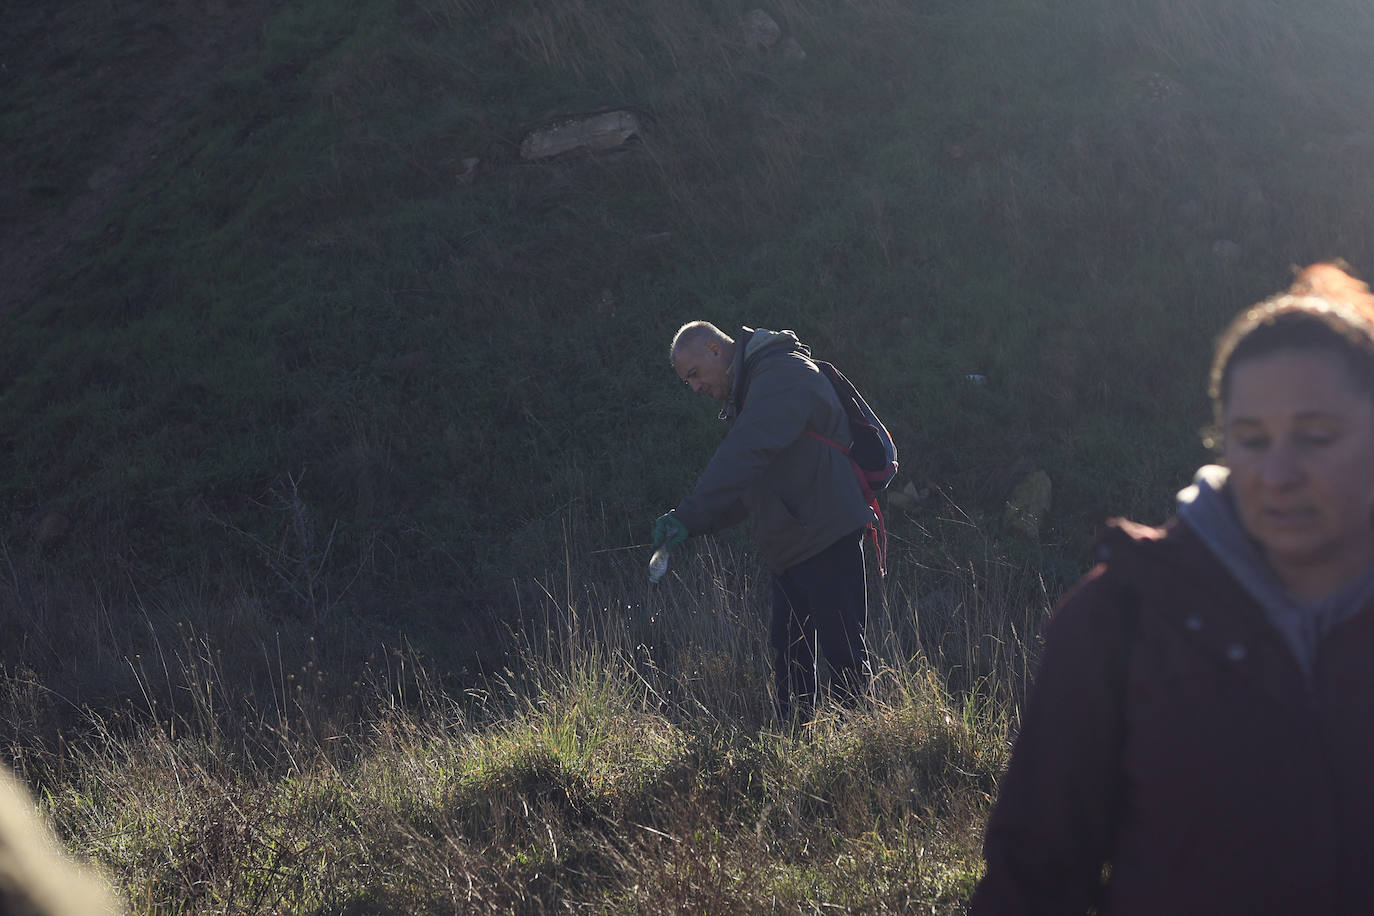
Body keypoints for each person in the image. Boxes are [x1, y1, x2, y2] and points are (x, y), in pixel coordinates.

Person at [969, 262, 1374, 915]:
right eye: (1250, 439)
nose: (1278, 473)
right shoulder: (1122, 615)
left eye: (1317, 437)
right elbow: (1034, 874)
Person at [651, 321, 876, 721]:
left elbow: (745, 454)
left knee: (844, 657)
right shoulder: (755, 389)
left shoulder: (781, 375)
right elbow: (749, 482)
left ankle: (866, 760)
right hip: (792, 546)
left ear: (715, 349)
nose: (696, 388)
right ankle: (796, 755)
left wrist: (690, 512)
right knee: (790, 659)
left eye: (695, 375)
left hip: (827, 536)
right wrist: (691, 523)